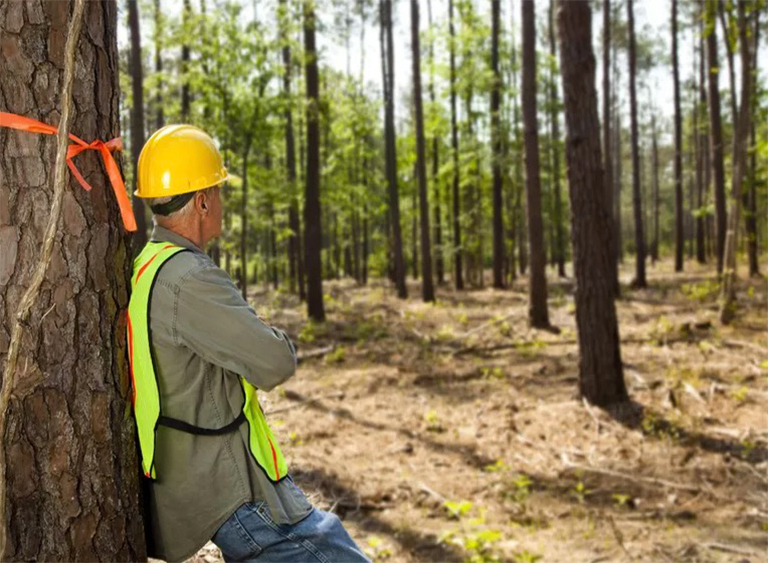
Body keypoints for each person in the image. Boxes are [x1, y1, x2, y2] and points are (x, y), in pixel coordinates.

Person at [127, 124, 369, 563]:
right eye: (217, 191)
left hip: (203, 477)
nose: (220, 200)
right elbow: (275, 361)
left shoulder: (148, 264)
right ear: (202, 201)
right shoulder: (189, 280)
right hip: (233, 490)